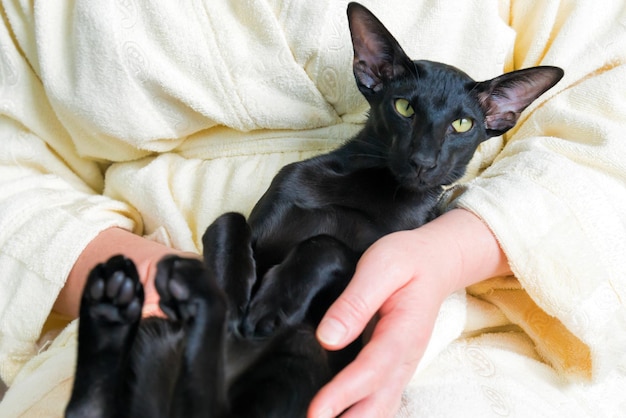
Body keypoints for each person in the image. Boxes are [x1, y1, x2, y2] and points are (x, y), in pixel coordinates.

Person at [1, 1, 625, 417]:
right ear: (371, 72)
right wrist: (151, 280)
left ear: (496, 117)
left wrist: (456, 249)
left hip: (463, 306)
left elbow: (609, 112)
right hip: (151, 277)